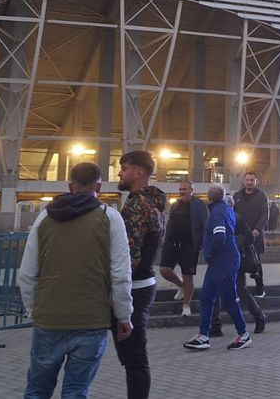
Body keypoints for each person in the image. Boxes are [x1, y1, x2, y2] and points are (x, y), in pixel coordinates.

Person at [18, 162, 133, 399]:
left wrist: (33, 309)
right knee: (76, 391)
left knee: (37, 390)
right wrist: (124, 315)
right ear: (99, 187)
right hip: (91, 321)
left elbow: (27, 273)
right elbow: (121, 274)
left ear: (70, 185)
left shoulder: (44, 218)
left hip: (49, 319)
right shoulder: (110, 218)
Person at [111, 150, 166, 399]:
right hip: (145, 284)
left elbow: (128, 258)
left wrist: (116, 291)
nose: (120, 172)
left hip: (134, 288)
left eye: (124, 167)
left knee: (134, 360)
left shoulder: (137, 207)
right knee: (135, 360)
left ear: (138, 172)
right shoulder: (152, 203)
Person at [185, 184, 252, 351]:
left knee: (228, 298)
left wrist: (209, 253)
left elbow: (219, 236)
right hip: (223, 261)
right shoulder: (227, 209)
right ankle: (203, 335)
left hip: (222, 261)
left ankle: (243, 334)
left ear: (209, 197)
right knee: (207, 297)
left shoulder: (216, 213)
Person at [160, 181, 207, 317]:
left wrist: (203, 244)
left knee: (188, 276)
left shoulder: (199, 205)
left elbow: (205, 224)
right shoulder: (175, 204)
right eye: (180, 189)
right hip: (172, 243)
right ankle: (181, 285)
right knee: (164, 270)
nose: (182, 191)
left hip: (190, 245)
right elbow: (170, 222)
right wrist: (165, 238)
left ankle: (186, 305)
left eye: (184, 189)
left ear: (192, 190)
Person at [233, 172, 269, 297]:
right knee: (238, 263)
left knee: (255, 261)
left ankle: (260, 289)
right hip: (239, 236)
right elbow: (233, 214)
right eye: (247, 180)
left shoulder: (261, 196)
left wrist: (258, 229)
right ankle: (239, 289)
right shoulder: (237, 196)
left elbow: (265, 214)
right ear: (244, 181)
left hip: (255, 236)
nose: (249, 182)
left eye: (251, 180)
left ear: (256, 181)